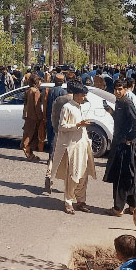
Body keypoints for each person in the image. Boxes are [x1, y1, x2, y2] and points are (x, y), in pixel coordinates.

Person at [52, 83, 96, 215]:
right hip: (73, 147)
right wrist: (78, 125)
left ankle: (81, 201)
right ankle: (69, 202)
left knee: (83, 175)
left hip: (83, 145)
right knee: (73, 175)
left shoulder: (79, 107)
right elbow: (62, 126)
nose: (84, 98)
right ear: (76, 95)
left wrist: (82, 124)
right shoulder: (67, 107)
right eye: (83, 96)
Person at [104, 79, 136, 216]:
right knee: (128, 176)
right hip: (119, 143)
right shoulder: (119, 102)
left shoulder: (126, 102)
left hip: (125, 145)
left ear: (126, 90)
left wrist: (129, 138)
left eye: (120, 89)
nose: (117, 91)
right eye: (115, 89)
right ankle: (133, 207)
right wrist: (112, 112)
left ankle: (118, 208)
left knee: (120, 177)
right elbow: (123, 121)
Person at [45, 82, 75, 193]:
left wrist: (56, 129)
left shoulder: (59, 100)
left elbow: (53, 116)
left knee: (54, 156)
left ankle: (49, 174)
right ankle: (69, 184)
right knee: (70, 159)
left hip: (59, 132)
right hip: (71, 133)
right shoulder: (76, 101)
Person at [21, 74, 42, 161]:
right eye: (40, 81)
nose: (40, 82)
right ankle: (27, 149)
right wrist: (41, 117)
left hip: (27, 115)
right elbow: (37, 106)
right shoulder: (35, 91)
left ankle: (29, 151)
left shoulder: (28, 90)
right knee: (31, 134)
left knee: (28, 132)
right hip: (34, 116)